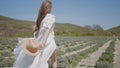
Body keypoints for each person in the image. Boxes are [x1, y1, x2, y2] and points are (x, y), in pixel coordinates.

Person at [13, 0, 57, 68]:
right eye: (50, 7)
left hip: (40, 42)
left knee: (37, 61)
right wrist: (43, 43)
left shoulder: (40, 19)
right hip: (48, 42)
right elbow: (47, 30)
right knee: (52, 61)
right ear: (49, 8)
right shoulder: (50, 17)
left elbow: (37, 35)